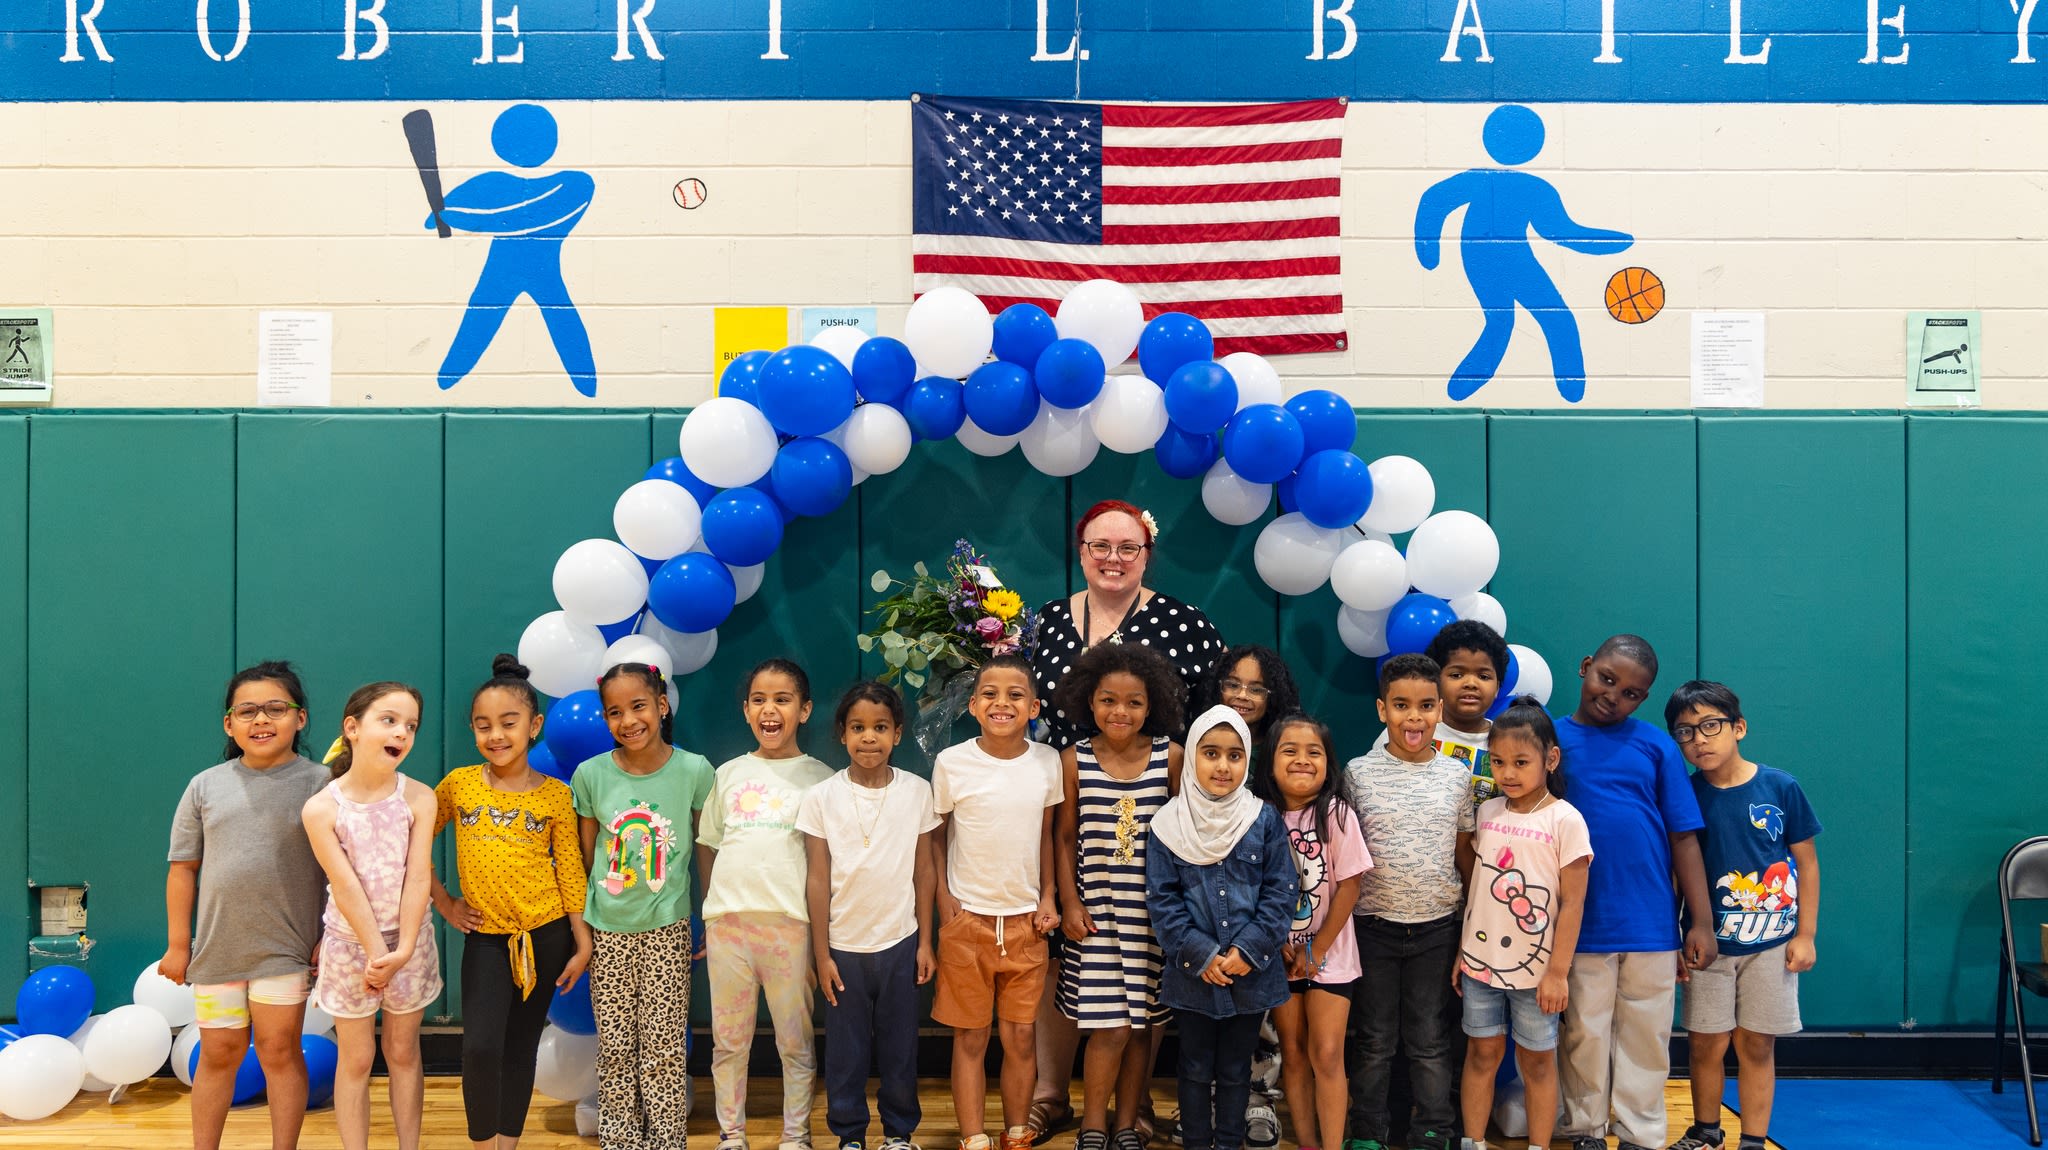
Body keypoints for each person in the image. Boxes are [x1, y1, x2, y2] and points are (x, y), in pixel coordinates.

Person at [1028, 498, 1223, 1144]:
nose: (1112, 559)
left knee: (1144, 979)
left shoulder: (1185, 625)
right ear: (1081, 552)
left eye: (1127, 548)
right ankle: (1053, 1095)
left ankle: (1130, 1108)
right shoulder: (1047, 624)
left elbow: (1211, 722)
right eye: (1099, 546)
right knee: (1065, 964)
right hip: (1066, 805)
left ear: (1147, 553)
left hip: (1150, 815)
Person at [1552, 635, 1716, 1150]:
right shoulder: (1549, 741)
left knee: (1647, 1034)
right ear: (1585, 666)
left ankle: (1641, 1131)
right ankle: (1584, 1127)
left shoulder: (1655, 745)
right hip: (1580, 920)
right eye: (1607, 678)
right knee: (1584, 1031)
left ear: (1642, 700)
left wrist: (1701, 921)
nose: (1613, 695)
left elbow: (1684, 836)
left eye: (1630, 692)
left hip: (1650, 920)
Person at [165, 661, 328, 1150]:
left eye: (275, 708)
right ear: (228, 724)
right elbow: (182, 868)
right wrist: (178, 944)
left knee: (280, 1051)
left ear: (299, 719)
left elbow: (341, 873)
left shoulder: (321, 784)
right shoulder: (205, 785)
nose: (261, 720)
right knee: (218, 1053)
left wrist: (327, 936)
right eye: (248, 710)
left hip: (284, 947)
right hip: (218, 951)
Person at [433, 655, 592, 1150]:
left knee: (520, 1048)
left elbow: (570, 872)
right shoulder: (458, 785)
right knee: (480, 1047)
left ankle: (508, 1145)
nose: (496, 735)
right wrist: (444, 903)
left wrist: (581, 942)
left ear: (534, 726)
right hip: (486, 938)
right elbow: (412, 845)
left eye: (508, 723)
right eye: (483, 726)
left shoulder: (555, 797)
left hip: (546, 936)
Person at [1662, 681, 1820, 1150]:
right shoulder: (1685, 794)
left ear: (1739, 727)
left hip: (1772, 945)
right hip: (1708, 948)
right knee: (1706, 1043)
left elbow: (1806, 863)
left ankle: (1753, 1139)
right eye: (1685, 732)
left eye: (1710, 725)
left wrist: (1806, 934)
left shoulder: (1780, 786)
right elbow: (1674, 875)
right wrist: (1675, 936)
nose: (1699, 740)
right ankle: (1706, 1131)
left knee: (1756, 1044)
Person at [572, 662, 716, 1150]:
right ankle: (621, 1141)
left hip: (668, 928)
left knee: (663, 1047)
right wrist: (587, 928)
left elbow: (704, 847)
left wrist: (707, 913)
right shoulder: (590, 775)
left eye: (638, 706)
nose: (628, 720)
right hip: (608, 930)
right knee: (615, 1047)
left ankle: (666, 1140)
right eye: (615, 712)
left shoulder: (694, 770)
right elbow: (586, 855)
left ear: (661, 705)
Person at [1051, 644, 1185, 1150]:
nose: (1120, 712)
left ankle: (1127, 1124)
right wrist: (1069, 902)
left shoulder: (1169, 757)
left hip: (1152, 917)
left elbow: (1181, 837)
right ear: (1090, 702)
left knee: (1142, 1026)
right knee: (1108, 1026)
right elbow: (1064, 838)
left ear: (1151, 707)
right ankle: (1092, 1125)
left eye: (1133, 702)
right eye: (1109, 700)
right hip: (1097, 915)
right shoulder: (1074, 760)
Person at [1147, 705, 1297, 1150]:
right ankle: (1196, 1141)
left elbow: (1281, 892)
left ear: (1248, 760)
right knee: (1193, 1065)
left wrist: (1246, 952)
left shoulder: (1263, 818)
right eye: (1210, 753)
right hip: (1193, 975)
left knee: (1236, 1068)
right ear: (1192, 755)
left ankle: (1230, 1141)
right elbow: (1162, 899)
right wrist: (1202, 955)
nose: (1223, 765)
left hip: (1250, 973)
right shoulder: (1167, 823)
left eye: (1235, 755)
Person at [698, 659, 835, 1150]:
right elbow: (709, 842)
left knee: (794, 1042)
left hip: (790, 929)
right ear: (745, 710)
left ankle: (796, 1135)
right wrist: (717, 903)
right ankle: (731, 1135)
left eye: (782, 699)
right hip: (729, 929)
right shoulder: (729, 773)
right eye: (759, 699)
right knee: (728, 1042)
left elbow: (826, 866)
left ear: (804, 710)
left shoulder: (821, 779)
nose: (769, 709)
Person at [797, 682, 939, 1150]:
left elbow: (925, 871)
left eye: (880, 728)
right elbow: (817, 878)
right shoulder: (820, 797)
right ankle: (849, 1135)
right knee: (846, 1052)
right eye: (858, 728)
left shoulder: (917, 793)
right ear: (842, 735)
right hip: (842, 949)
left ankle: (899, 1134)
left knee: (901, 1049)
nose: (869, 738)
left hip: (900, 942)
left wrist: (924, 943)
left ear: (897, 734)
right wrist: (822, 954)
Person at [1342, 654, 1474, 1150]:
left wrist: (1468, 925)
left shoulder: (1456, 776)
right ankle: (1369, 1131)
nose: (1413, 718)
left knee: (1429, 1039)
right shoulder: (1358, 773)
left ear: (1439, 710)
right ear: (1382, 710)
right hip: (1371, 927)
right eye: (1401, 706)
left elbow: (1465, 854)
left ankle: (1432, 1129)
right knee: (1374, 1039)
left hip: (1437, 928)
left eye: (1423, 706)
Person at [932, 655, 1064, 1150]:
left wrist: (1048, 895)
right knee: (969, 1038)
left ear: (1032, 707)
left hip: (1026, 924)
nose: (1001, 703)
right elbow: (935, 839)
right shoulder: (953, 763)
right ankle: (973, 1137)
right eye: (989, 693)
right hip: (968, 923)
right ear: (972, 705)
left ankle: (1015, 1131)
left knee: (1021, 1038)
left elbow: (1047, 837)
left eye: (1014, 695)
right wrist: (946, 899)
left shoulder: (1046, 762)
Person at [302, 681, 439, 1150]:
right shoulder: (321, 807)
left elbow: (419, 876)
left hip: (411, 944)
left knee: (403, 1052)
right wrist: (378, 952)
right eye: (389, 720)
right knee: (356, 1060)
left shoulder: (419, 797)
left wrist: (401, 951)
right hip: (349, 948)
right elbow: (345, 886)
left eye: (411, 725)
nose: (402, 731)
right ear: (352, 728)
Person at [1455, 698, 1591, 1150]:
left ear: (1550, 760)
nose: (1507, 773)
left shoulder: (1565, 819)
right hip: (1481, 967)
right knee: (1482, 1054)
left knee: (1537, 1062)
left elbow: (1572, 904)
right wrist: (1462, 952)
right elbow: (1478, 893)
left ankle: (1538, 1145)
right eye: (1498, 762)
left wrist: (1556, 972)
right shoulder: (1488, 814)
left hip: (1536, 975)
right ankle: (1472, 1141)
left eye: (1520, 762)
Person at [1253, 714, 1369, 1150]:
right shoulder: (1259, 816)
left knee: (1326, 1055)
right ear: (1270, 762)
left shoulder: (1336, 813)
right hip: (1278, 957)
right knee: (1294, 1055)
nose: (1302, 760)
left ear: (1328, 762)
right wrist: (1277, 939)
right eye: (1290, 751)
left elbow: (1351, 885)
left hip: (1330, 958)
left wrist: (1317, 948)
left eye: (1313, 752)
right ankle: (1307, 1143)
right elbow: (1253, 887)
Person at [1371, 620, 1508, 807]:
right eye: (1456, 675)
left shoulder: (1507, 742)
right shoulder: (1404, 731)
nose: (1470, 683)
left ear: (1498, 688)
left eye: (1483, 676)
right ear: (1435, 682)